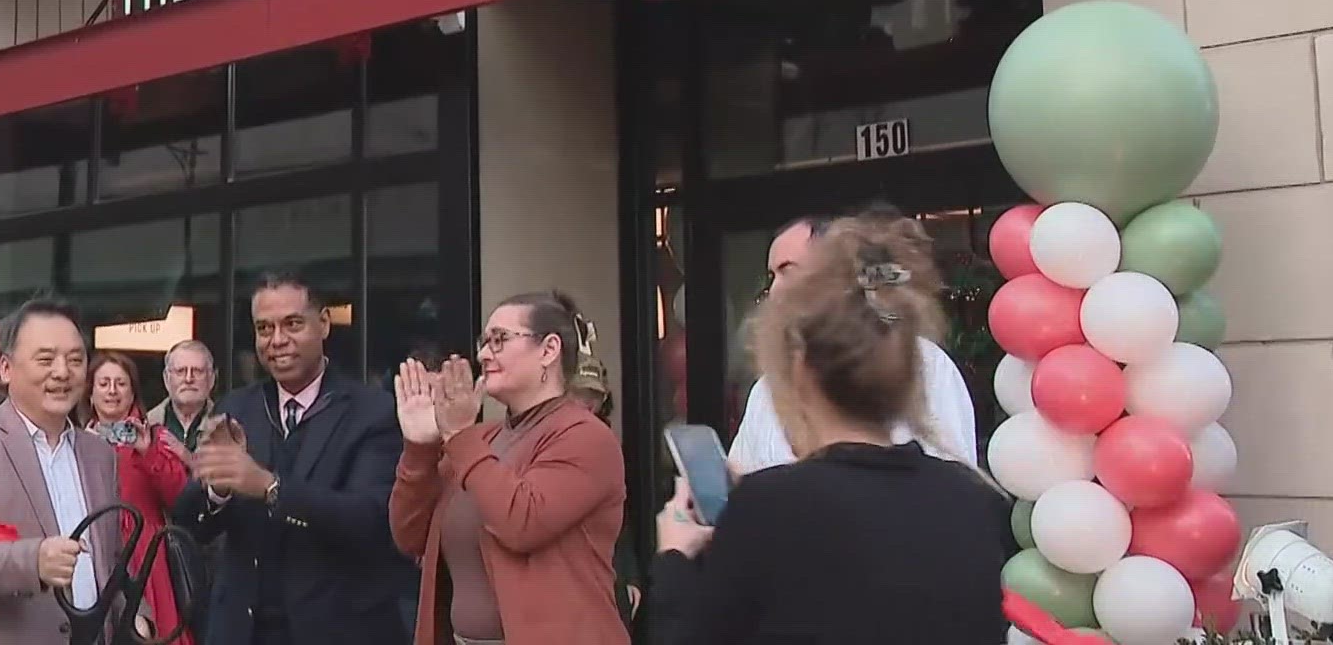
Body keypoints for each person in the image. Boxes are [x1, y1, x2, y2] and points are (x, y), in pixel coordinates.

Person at [645, 220, 1012, 645]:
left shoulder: (768, 506)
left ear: (801, 372)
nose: (776, 292)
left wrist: (673, 558)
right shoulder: (972, 503)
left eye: (787, 271)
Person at [170, 273, 407, 645]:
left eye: (292, 324)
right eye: (264, 328)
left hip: (338, 630)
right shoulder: (237, 408)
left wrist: (269, 487)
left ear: (324, 323)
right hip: (241, 630)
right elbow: (189, 524)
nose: (277, 340)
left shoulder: (372, 411)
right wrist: (218, 487)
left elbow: (371, 519)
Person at [389, 291, 630, 645]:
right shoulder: (482, 440)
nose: (484, 354)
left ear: (549, 349)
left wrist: (458, 434)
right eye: (484, 342)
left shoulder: (585, 435)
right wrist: (420, 447)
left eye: (500, 340)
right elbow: (410, 536)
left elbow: (522, 524)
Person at [0, 298, 124, 645]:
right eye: (45, 359)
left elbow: (113, 557)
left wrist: (137, 615)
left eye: (75, 359)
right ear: (4, 369)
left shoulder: (99, 454)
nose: (62, 372)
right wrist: (34, 561)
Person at [727, 209, 978, 474]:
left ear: (833, 272)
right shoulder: (768, 385)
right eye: (771, 277)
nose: (775, 290)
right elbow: (741, 475)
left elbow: (952, 476)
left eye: (787, 270)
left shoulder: (923, 363)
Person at [86, 350, 194, 644]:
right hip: (93, 551)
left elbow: (182, 499)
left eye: (120, 383)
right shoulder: (75, 440)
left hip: (147, 554)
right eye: (104, 383)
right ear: (91, 393)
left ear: (133, 391)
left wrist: (149, 453)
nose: (112, 391)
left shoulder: (155, 437)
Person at [567, 353, 643, 631]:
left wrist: (630, 575)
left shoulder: (609, 445)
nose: (587, 403)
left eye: (594, 395)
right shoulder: (547, 442)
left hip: (608, 575)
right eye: (579, 393)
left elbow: (620, 516)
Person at [146, 338, 216, 453]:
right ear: (166, 378)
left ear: (211, 378)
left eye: (197, 371)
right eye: (180, 371)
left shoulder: (226, 429)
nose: (188, 379)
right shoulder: (148, 426)